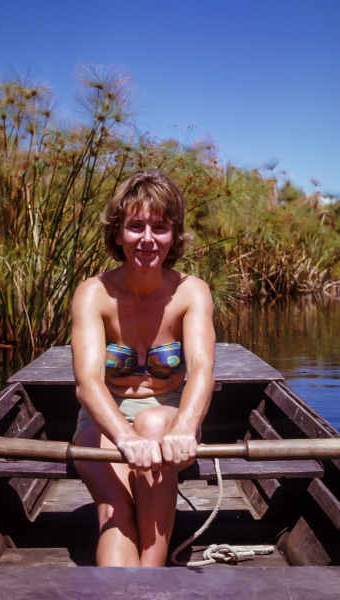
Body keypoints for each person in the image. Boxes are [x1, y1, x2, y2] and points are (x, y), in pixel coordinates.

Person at [71, 169, 216, 567]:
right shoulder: (94, 294)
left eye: (160, 227)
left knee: (153, 424)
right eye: (136, 226)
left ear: (174, 236)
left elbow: (202, 370)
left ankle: (151, 582)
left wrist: (185, 428)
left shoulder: (190, 291)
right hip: (103, 421)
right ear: (118, 234)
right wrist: (121, 435)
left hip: (170, 418)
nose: (148, 239)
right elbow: (87, 383)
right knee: (115, 509)